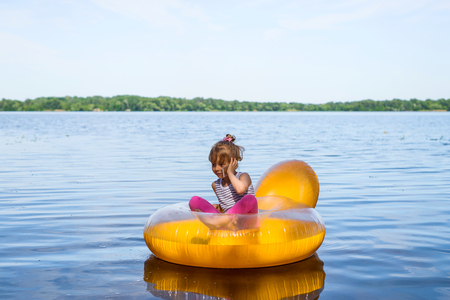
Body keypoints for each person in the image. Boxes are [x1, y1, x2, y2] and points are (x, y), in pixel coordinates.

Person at [189, 134, 258, 218]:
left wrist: (230, 172)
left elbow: (240, 190)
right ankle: (220, 221)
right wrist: (218, 208)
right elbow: (227, 205)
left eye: (221, 164)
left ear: (233, 162)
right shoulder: (216, 185)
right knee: (194, 200)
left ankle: (221, 220)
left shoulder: (243, 176)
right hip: (227, 222)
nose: (216, 168)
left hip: (245, 221)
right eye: (214, 164)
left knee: (250, 199)